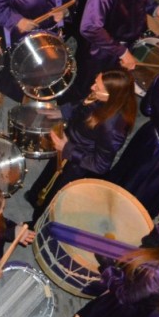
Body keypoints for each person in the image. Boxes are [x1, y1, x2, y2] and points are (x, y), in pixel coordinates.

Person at [26, 69, 136, 221]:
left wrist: (68, 149)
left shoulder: (114, 128)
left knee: (56, 196)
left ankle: (37, 223)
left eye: (98, 87)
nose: (92, 87)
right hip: (68, 143)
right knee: (48, 176)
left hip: (77, 165)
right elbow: (81, 106)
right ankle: (35, 198)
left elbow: (101, 165)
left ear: (111, 95)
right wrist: (62, 112)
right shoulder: (102, 98)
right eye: (95, 82)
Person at [109, 70, 159, 217]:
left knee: (126, 171)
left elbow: (146, 108)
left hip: (148, 136)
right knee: (140, 194)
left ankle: (105, 199)